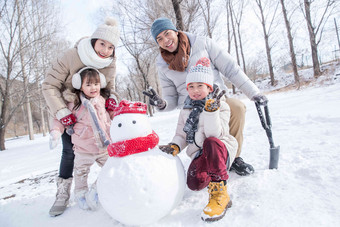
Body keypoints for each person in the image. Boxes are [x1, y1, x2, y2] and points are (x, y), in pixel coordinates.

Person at [144, 17, 268, 176]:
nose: (165, 40)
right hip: (190, 107)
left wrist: (254, 93)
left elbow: (231, 68)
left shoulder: (202, 43)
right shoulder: (162, 64)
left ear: (176, 31)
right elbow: (171, 98)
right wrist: (162, 104)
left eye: (167, 33)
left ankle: (233, 157)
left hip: (216, 97)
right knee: (205, 134)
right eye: (159, 39)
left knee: (237, 108)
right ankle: (205, 161)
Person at [42, 17, 120, 216]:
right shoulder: (72, 56)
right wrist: (62, 112)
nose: (105, 50)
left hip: (97, 111)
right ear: (94, 40)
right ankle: (63, 192)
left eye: (111, 47)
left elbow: (109, 87)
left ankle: (104, 187)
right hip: (70, 107)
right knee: (70, 152)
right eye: (102, 43)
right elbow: (49, 85)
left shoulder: (110, 62)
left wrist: (111, 98)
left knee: (111, 158)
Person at [159, 58, 238, 222]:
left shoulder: (221, 106)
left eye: (200, 86)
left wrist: (211, 112)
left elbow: (214, 135)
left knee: (210, 142)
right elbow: (181, 134)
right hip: (200, 154)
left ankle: (220, 193)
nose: (195, 90)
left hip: (220, 150)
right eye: (191, 87)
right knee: (195, 184)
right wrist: (175, 146)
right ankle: (213, 171)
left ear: (209, 87)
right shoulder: (186, 110)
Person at [50, 67, 111, 211]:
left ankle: (98, 188)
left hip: (104, 147)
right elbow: (59, 118)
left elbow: (114, 115)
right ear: (80, 85)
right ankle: (81, 194)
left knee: (111, 168)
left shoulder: (103, 100)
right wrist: (55, 132)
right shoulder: (73, 104)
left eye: (96, 84)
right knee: (81, 173)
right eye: (88, 84)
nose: (93, 88)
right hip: (83, 148)